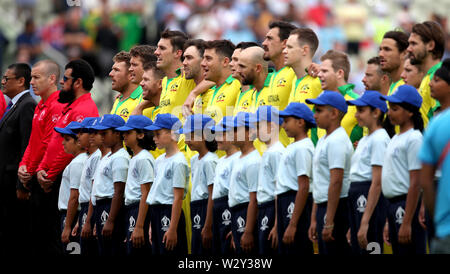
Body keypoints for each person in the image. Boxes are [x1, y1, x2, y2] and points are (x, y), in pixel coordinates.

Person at [35, 59, 98, 255]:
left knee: (63, 238)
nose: (62, 82)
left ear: (77, 82)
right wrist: (40, 169)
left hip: (63, 179)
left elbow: (67, 151)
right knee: (50, 235)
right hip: (53, 178)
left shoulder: (84, 110)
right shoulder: (70, 107)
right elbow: (53, 143)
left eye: (66, 78)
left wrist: (50, 175)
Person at [380, 85, 427, 254]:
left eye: (395, 109)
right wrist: (388, 220)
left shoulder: (414, 139)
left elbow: (415, 182)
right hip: (393, 205)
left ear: (410, 112)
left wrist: (407, 222)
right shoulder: (395, 138)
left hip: (406, 205)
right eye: (389, 109)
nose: (390, 113)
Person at [306, 91, 353, 255]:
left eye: (319, 110)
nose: (314, 114)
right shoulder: (323, 140)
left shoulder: (337, 140)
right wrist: (314, 218)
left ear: (333, 113)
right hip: (324, 206)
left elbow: (336, 181)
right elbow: (320, 182)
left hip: (337, 207)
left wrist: (330, 221)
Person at [345, 91, 390, 254]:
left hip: (368, 197)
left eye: (361, 110)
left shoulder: (379, 139)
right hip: (357, 198)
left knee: (371, 248)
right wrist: (354, 223)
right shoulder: (365, 140)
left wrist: (364, 221)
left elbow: (377, 183)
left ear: (376, 112)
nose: (356, 115)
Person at [0, 63, 36, 255]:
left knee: (14, 232)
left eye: (7, 78)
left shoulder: (28, 105)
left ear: (21, 81)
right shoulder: (14, 105)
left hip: (12, 182)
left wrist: (22, 185)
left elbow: (26, 146)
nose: (3, 82)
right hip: (5, 181)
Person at [18, 60, 64, 203]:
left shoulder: (57, 105)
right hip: (34, 174)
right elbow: (32, 142)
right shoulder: (40, 106)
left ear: (52, 79)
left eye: (36, 77)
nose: (31, 82)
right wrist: (22, 165)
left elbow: (48, 144)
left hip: (45, 177)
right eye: (31, 77)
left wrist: (29, 171)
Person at [145, 113, 189, 255]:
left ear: (172, 133)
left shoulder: (179, 161)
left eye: (158, 134)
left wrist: (172, 228)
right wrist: (152, 224)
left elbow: (177, 197)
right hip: (156, 212)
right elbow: (155, 194)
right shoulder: (159, 161)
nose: (154, 138)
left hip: (169, 213)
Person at [277, 102, 316, 255]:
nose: (283, 125)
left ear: (300, 122)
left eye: (287, 121)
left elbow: (304, 186)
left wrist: (293, 224)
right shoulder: (294, 146)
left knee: (297, 246)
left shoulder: (303, 147)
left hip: (294, 202)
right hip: (285, 201)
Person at [419, 61, 450, 253]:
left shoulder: (437, 124)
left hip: (445, 227)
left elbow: (425, 180)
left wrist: (436, 214)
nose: (430, 83)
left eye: (437, 80)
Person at [115, 115, 155, 255]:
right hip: (131, 210)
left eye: (128, 132)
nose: (124, 135)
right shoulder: (135, 157)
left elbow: (146, 192)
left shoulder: (143, 158)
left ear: (140, 135)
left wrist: (138, 227)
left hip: (139, 210)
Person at [178, 114, 218, 255]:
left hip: (206, 208)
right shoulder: (195, 159)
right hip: (196, 208)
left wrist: (207, 226)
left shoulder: (210, 161)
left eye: (192, 135)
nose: (187, 140)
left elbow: (212, 194)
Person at [91, 114, 129, 256]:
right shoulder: (108, 157)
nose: (101, 137)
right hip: (101, 207)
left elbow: (118, 192)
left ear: (117, 133)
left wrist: (111, 220)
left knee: (113, 248)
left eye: (104, 133)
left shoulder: (120, 157)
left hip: (111, 207)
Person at [251, 106, 284, 255]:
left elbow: (279, 190)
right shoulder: (268, 152)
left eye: (259, 126)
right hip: (264, 208)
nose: (256, 130)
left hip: (271, 209)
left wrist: (277, 224)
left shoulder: (276, 152)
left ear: (271, 126)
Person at [228, 112, 261, 254]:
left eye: (236, 130)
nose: (232, 133)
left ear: (249, 132)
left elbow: (253, 199)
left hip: (245, 212)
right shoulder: (239, 158)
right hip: (237, 215)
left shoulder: (253, 161)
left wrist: (247, 231)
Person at [54, 121, 88, 253]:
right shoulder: (78, 161)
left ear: (78, 142)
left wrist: (67, 226)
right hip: (72, 215)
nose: (63, 143)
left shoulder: (78, 163)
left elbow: (74, 196)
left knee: (72, 249)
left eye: (67, 139)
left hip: (72, 215)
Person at [317, 50, 362, 146]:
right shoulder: (319, 102)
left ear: (340, 73)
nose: (319, 75)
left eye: (324, 71)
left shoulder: (357, 103)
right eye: (320, 71)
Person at [211, 116, 240, 255]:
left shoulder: (238, 159)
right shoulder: (221, 160)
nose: (217, 138)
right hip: (218, 208)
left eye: (222, 134)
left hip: (229, 207)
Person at [407, 21, 445, 127]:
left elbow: (441, 120)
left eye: (413, 44)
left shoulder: (438, 77)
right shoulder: (428, 77)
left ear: (431, 45)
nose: (408, 49)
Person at [154, 29, 195, 119]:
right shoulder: (164, 82)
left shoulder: (188, 77)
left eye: (162, 48)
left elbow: (214, 79)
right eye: (157, 48)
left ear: (177, 53)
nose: (156, 52)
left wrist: (194, 93)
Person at [77, 117, 101, 256]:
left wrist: (88, 220)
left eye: (82, 132)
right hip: (85, 208)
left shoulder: (97, 156)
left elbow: (93, 191)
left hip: (91, 207)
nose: (78, 136)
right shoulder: (90, 156)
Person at [202, 39, 241, 122]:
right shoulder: (212, 90)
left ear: (225, 61)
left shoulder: (238, 83)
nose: (202, 63)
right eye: (203, 58)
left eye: (208, 59)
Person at [261, 20, 296, 111]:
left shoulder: (296, 72)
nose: (264, 43)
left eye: (269, 38)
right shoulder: (271, 77)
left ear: (285, 43)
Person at [285, 28, 322, 107]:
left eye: (290, 47)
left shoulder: (319, 80)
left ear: (304, 50)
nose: (284, 51)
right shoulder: (293, 79)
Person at [109, 51, 142, 121]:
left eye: (116, 70)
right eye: (112, 70)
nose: (110, 74)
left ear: (130, 75)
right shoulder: (118, 99)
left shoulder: (143, 100)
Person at [379, 31, 409, 95]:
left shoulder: (407, 87)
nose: (380, 54)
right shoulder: (393, 86)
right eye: (380, 49)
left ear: (404, 54)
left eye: (387, 49)